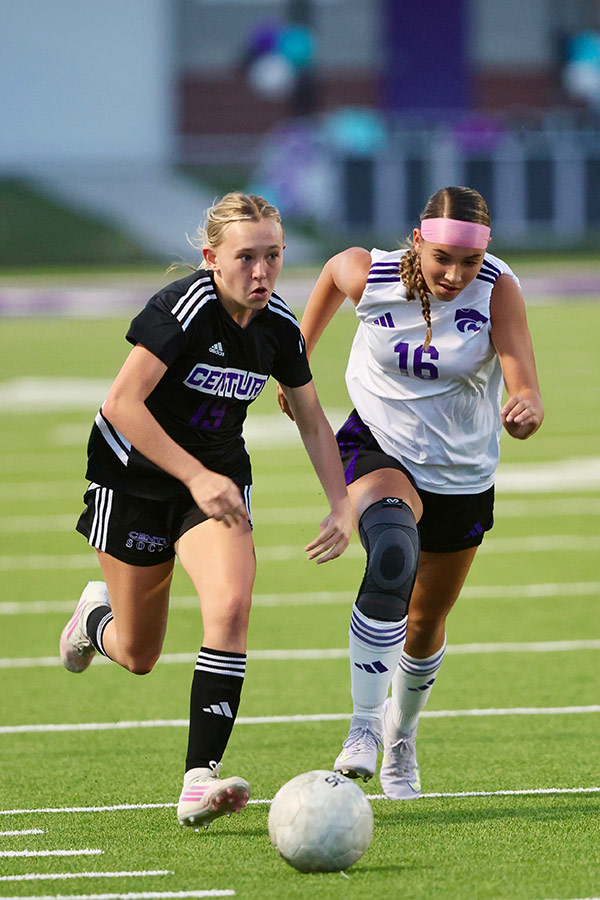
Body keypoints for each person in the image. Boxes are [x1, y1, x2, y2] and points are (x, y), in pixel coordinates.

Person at [60, 192, 352, 828]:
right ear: (211, 258)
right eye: (246, 257)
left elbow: (310, 417)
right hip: (134, 482)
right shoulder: (182, 310)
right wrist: (192, 475)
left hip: (216, 485)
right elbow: (121, 405)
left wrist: (341, 504)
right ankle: (92, 620)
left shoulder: (277, 326)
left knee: (230, 607)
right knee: (139, 653)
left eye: (273, 255)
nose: (262, 271)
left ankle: (199, 779)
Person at [278, 185, 544, 799]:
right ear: (418, 241)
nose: (454, 274)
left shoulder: (498, 288)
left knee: (426, 621)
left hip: (463, 471)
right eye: (441, 257)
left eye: (468, 262)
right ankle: (364, 726)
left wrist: (525, 407)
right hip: (378, 443)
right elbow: (325, 281)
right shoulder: (366, 273)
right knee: (392, 553)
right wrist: (297, 370)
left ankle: (402, 732)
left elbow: (523, 382)